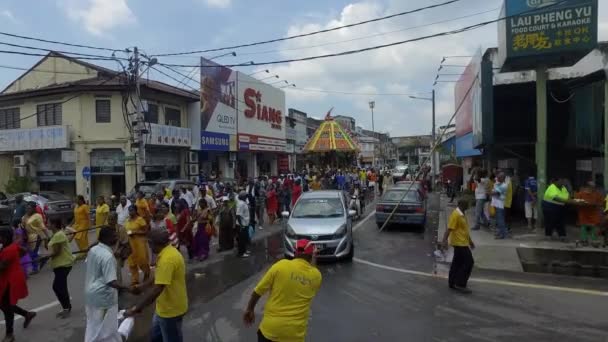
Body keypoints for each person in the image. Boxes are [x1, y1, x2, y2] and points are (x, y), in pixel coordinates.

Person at [243, 239, 322, 342]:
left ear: (295, 253)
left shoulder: (281, 266)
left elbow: (258, 291)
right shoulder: (316, 276)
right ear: (311, 256)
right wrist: (314, 258)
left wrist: (250, 309)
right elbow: (312, 270)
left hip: (270, 331)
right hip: (294, 336)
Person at [126, 229, 188, 342]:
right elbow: (159, 276)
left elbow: (158, 289)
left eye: (149, 244)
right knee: (155, 338)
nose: (149, 247)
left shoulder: (167, 260)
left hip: (171, 312)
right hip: (162, 308)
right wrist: (142, 286)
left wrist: (137, 308)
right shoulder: (166, 252)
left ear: (155, 243)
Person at [84, 226, 132, 342]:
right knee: (101, 330)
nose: (117, 239)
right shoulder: (108, 256)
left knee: (98, 325)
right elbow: (111, 281)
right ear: (110, 239)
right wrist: (128, 288)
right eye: (115, 237)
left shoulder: (93, 250)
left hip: (90, 295)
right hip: (103, 298)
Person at [0, 227, 37, 342]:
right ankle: (27, 314)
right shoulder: (11, 246)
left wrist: (12, 262)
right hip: (9, 277)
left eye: (0, 237)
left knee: (6, 307)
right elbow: (23, 250)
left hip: (9, 280)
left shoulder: (8, 250)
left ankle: (10, 334)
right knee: (5, 304)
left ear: (5, 237)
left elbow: (2, 267)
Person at [442, 199, 475, 294]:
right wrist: (444, 241)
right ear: (461, 205)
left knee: (457, 262)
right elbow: (449, 229)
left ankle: (452, 282)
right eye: (466, 204)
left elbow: (464, 230)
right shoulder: (456, 215)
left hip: (463, 242)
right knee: (469, 262)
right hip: (459, 243)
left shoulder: (462, 214)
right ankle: (460, 283)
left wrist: (470, 241)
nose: (468, 206)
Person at [45, 218, 74, 318]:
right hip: (59, 264)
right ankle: (66, 307)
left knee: (58, 286)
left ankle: (66, 307)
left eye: (48, 222)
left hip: (63, 264)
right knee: (60, 286)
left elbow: (57, 252)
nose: (46, 224)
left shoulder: (58, 235)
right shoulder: (56, 234)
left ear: (53, 224)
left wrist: (45, 256)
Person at [125, 205, 150, 287]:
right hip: (130, 244)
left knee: (142, 261)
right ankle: (134, 280)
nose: (130, 212)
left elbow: (146, 231)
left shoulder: (140, 220)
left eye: (132, 210)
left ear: (136, 211)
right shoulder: (127, 220)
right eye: (129, 210)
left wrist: (135, 233)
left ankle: (147, 274)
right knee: (132, 262)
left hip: (140, 243)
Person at [21, 202, 49, 273]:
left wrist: (48, 236)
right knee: (31, 253)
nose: (27, 209)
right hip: (28, 237)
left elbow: (43, 227)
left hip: (36, 236)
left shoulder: (37, 216)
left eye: (29, 208)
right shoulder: (25, 216)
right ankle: (42, 259)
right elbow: (22, 226)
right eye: (26, 208)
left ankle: (35, 268)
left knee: (33, 253)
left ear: (33, 209)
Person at [574, 181, 603, 246]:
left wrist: (596, 204)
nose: (593, 188)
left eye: (594, 187)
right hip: (583, 212)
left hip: (593, 213)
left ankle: (594, 240)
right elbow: (575, 201)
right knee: (583, 226)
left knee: (594, 226)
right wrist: (581, 203)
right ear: (588, 186)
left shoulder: (597, 194)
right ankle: (584, 240)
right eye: (592, 186)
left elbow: (601, 202)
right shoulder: (580, 193)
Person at [107, 212, 130, 284]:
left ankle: (119, 287)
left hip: (117, 253)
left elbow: (125, 242)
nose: (110, 221)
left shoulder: (121, 228)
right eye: (109, 219)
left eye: (112, 219)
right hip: (107, 252)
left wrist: (118, 250)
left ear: (116, 219)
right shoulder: (106, 228)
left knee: (117, 271)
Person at [491, 173, 509, 239]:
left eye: (499, 177)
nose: (497, 178)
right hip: (496, 203)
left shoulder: (504, 185)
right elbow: (493, 192)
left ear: (502, 178)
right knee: (498, 219)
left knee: (500, 219)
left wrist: (492, 192)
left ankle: (503, 234)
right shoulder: (498, 184)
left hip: (500, 204)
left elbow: (494, 193)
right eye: (497, 177)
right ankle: (500, 232)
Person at [236, 191, 251, 258]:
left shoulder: (243, 203)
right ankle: (241, 253)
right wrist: (241, 225)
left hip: (245, 223)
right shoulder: (241, 204)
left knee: (244, 239)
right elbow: (238, 215)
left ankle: (244, 250)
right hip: (242, 225)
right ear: (242, 197)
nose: (246, 197)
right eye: (245, 196)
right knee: (241, 240)